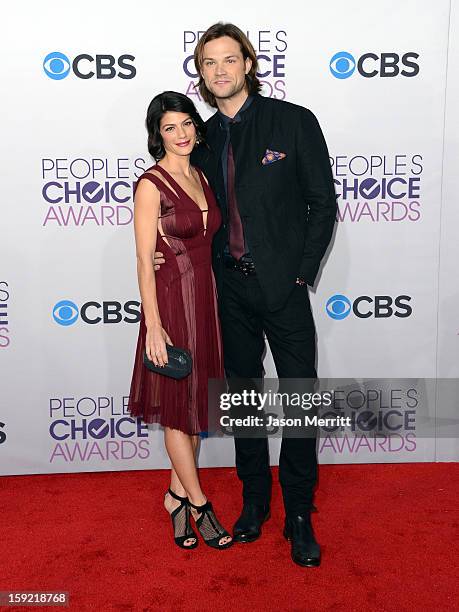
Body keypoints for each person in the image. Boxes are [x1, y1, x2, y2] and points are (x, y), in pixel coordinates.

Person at [155, 23, 337, 567]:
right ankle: (255, 500)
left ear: (249, 63)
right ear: (201, 72)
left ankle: (300, 512)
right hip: (226, 290)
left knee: (300, 399)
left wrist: (301, 273)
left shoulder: (295, 121)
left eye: (229, 60)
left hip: (284, 287)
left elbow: (321, 204)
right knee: (244, 402)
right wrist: (164, 249)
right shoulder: (201, 140)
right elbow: (181, 210)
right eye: (209, 63)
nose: (220, 72)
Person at [127, 91, 232, 551]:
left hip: (206, 301)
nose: (182, 133)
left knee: (194, 410)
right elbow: (142, 258)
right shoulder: (151, 184)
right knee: (177, 408)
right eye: (170, 127)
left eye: (187, 123)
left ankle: (174, 496)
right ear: (158, 135)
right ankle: (199, 504)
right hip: (171, 303)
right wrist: (153, 324)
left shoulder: (202, 175)